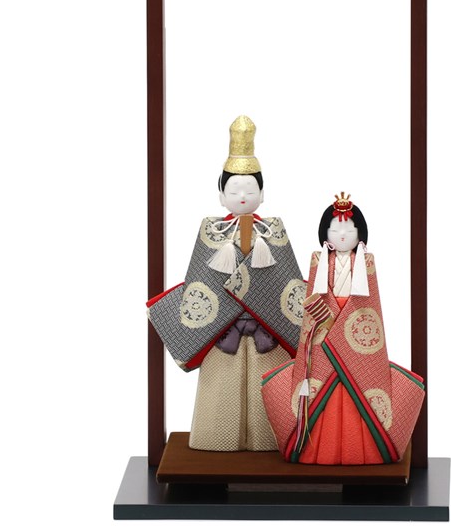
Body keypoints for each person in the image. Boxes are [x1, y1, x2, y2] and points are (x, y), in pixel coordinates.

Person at [146, 116, 308, 451]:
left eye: (250, 190)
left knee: (267, 384)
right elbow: (199, 285)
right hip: (222, 329)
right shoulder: (212, 231)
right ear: (221, 195)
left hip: (267, 326)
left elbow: (288, 285)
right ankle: (217, 441)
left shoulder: (273, 230)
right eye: (234, 190)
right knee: (222, 390)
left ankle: (268, 442)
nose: (243, 196)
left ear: (263, 193)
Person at [260, 193, 425, 464]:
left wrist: (342, 325)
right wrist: (328, 322)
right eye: (335, 229)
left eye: (349, 229)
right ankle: (313, 449)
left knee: (357, 386)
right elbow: (312, 301)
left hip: (355, 329)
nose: (343, 234)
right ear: (325, 234)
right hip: (322, 333)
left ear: (360, 233)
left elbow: (369, 305)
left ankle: (364, 451)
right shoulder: (318, 261)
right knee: (320, 386)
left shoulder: (366, 263)